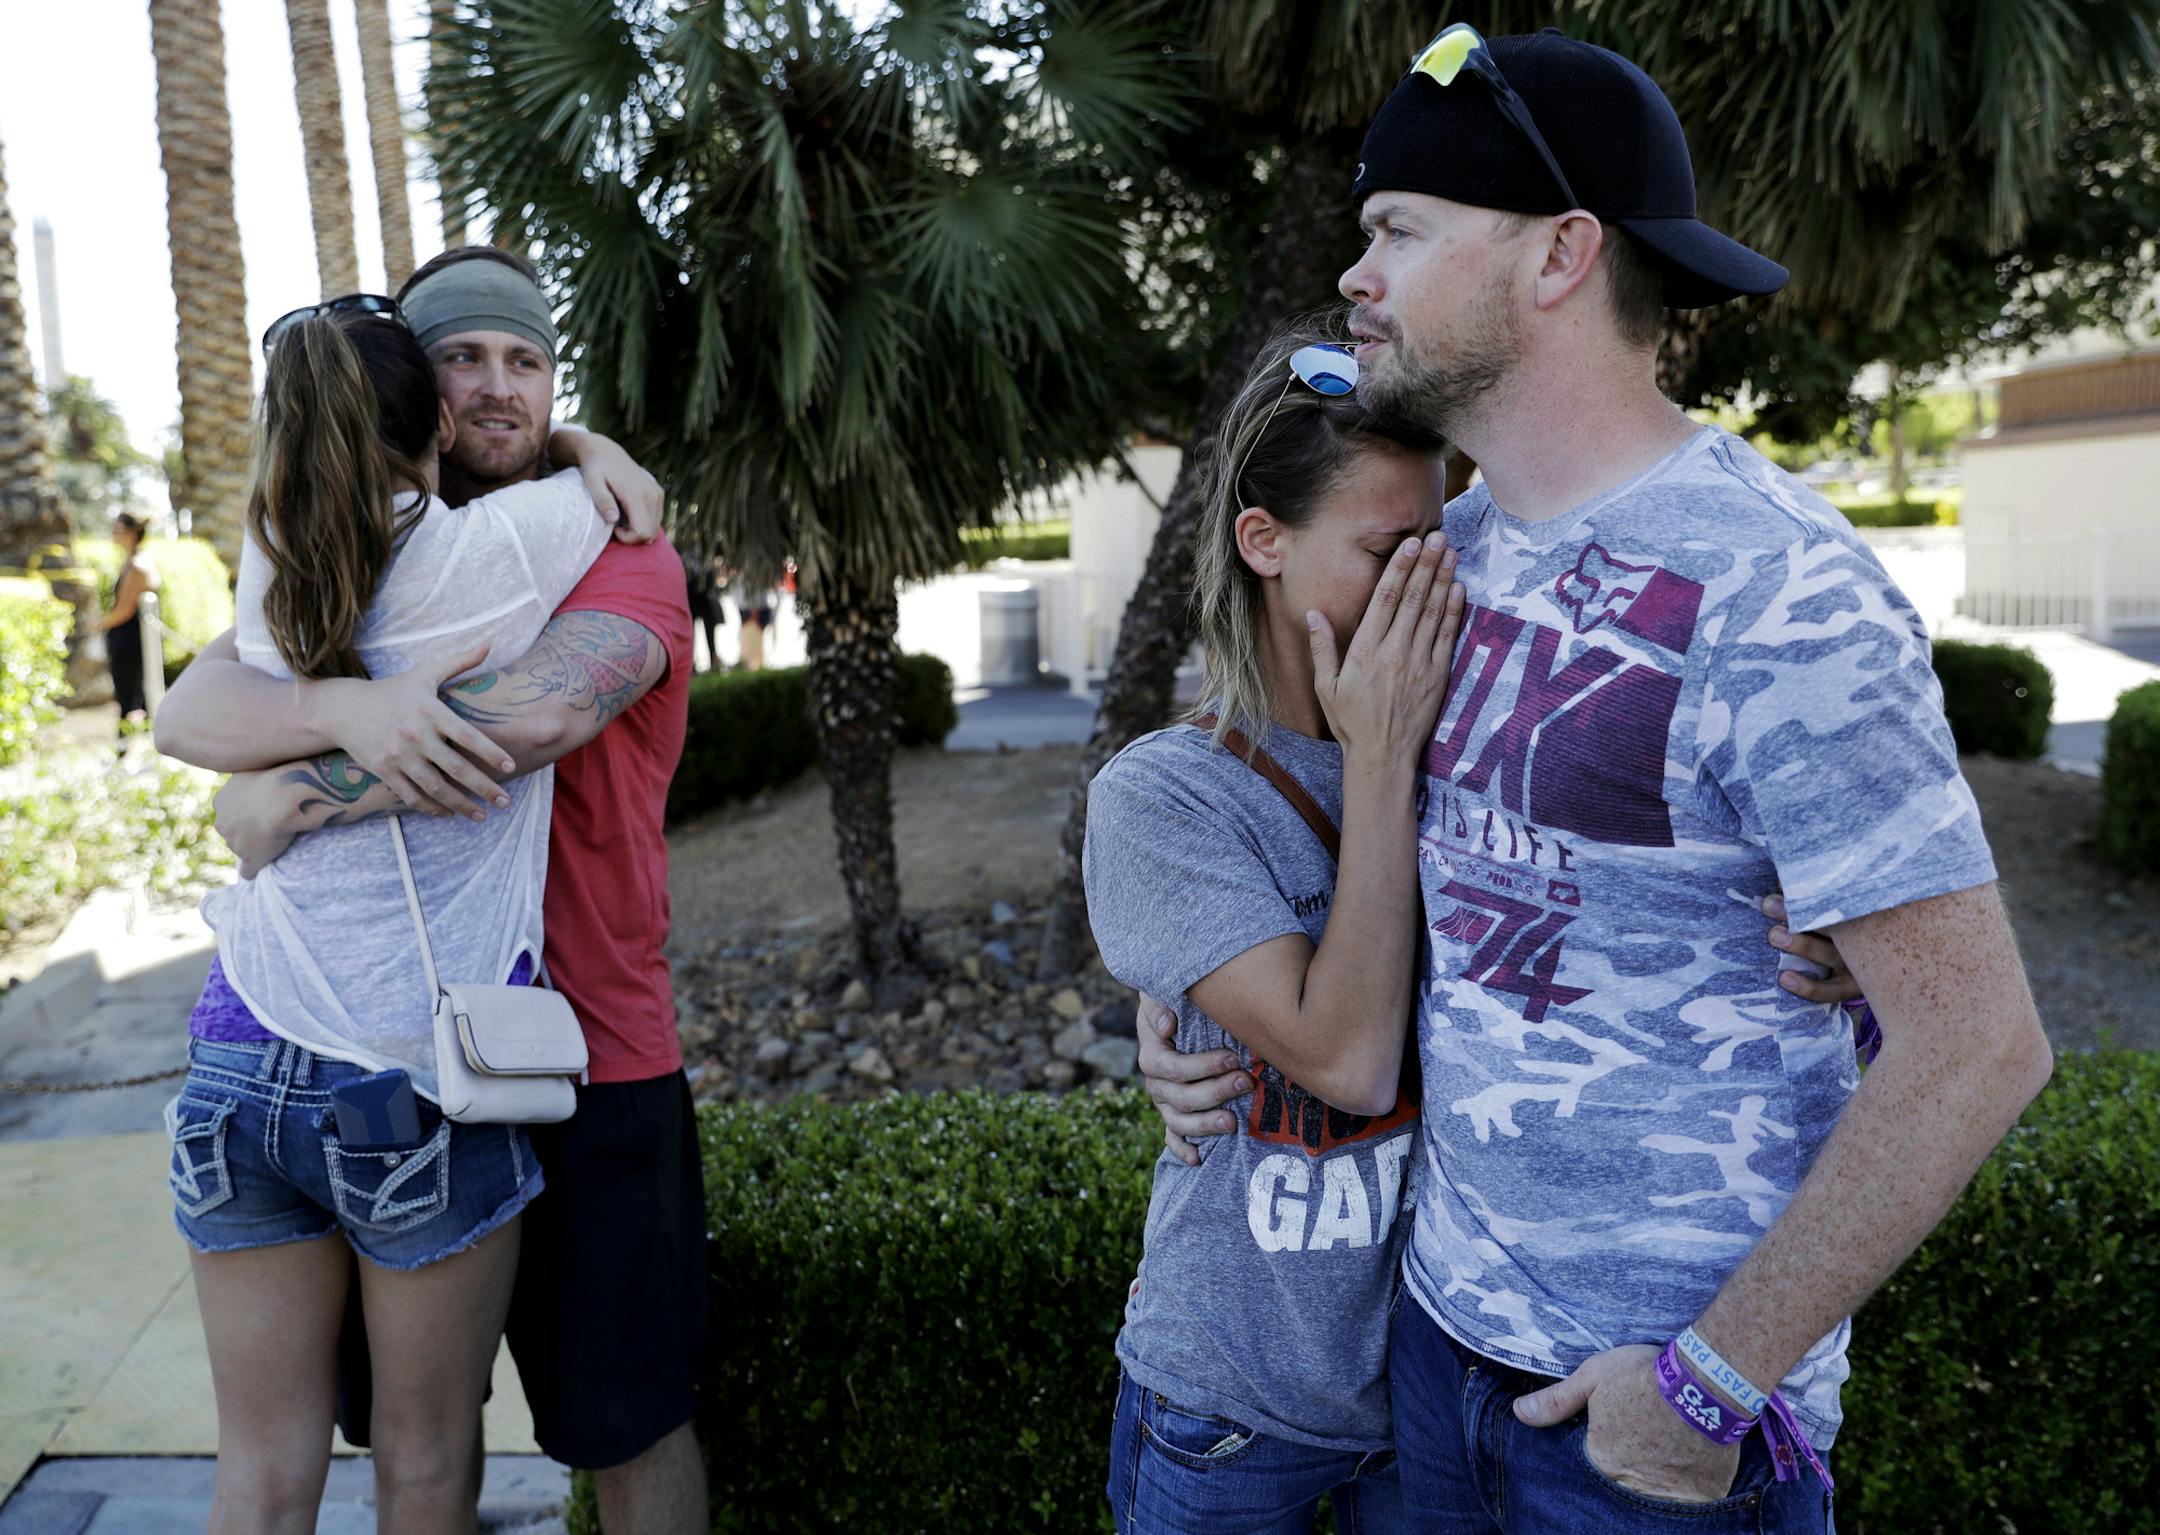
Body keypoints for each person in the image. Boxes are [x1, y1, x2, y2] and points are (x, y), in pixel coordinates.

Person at [1137, 25, 2052, 1534]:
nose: (1357, 274)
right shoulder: (1442, 554)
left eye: (1399, 230)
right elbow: (1314, 826)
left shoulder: (1781, 588)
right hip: (1431, 1357)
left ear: (1561, 253)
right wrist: (1183, 1013)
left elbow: (1978, 1042)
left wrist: (1707, 1385)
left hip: (1647, 1432)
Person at [157, 246, 708, 1535]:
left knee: (628, 1427)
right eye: (464, 357)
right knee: (416, 1455)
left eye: (529, 362)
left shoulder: (616, 547)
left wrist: (286, 793)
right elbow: (191, 703)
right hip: (397, 1060)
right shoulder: (356, 551)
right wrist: (338, 710)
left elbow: (537, 715)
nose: (500, 386)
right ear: (415, 390)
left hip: (590, 1053)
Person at [1083, 325, 1459, 1534]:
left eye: (1443, 545)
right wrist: (1381, 760)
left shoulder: (1479, 747)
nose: (1431, 586)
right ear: (1265, 541)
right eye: (1389, 552)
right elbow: (1345, 1059)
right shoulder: (1165, 795)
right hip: (1231, 1410)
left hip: (1435, 1403)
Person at [98, 509, 159, 729]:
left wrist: (96, 625)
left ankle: (127, 745)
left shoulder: (138, 566)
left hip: (129, 642)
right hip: (129, 639)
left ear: (131, 533)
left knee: (130, 699)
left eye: (118, 529)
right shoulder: (132, 562)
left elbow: (124, 610)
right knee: (131, 697)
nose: (113, 534)